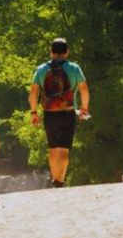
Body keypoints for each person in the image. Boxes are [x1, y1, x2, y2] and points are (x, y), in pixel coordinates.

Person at [28, 37, 89, 188]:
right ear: (67, 52)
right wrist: (84, 108)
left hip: (49, 114)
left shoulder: (41, 69)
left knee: (53, 148)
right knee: (64, 148)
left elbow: (33, 92)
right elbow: (84, 89)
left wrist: (34, 112)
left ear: (51, 52)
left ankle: (55, 178)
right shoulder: (74, 68)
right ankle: (59, 181)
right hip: (68, 112)